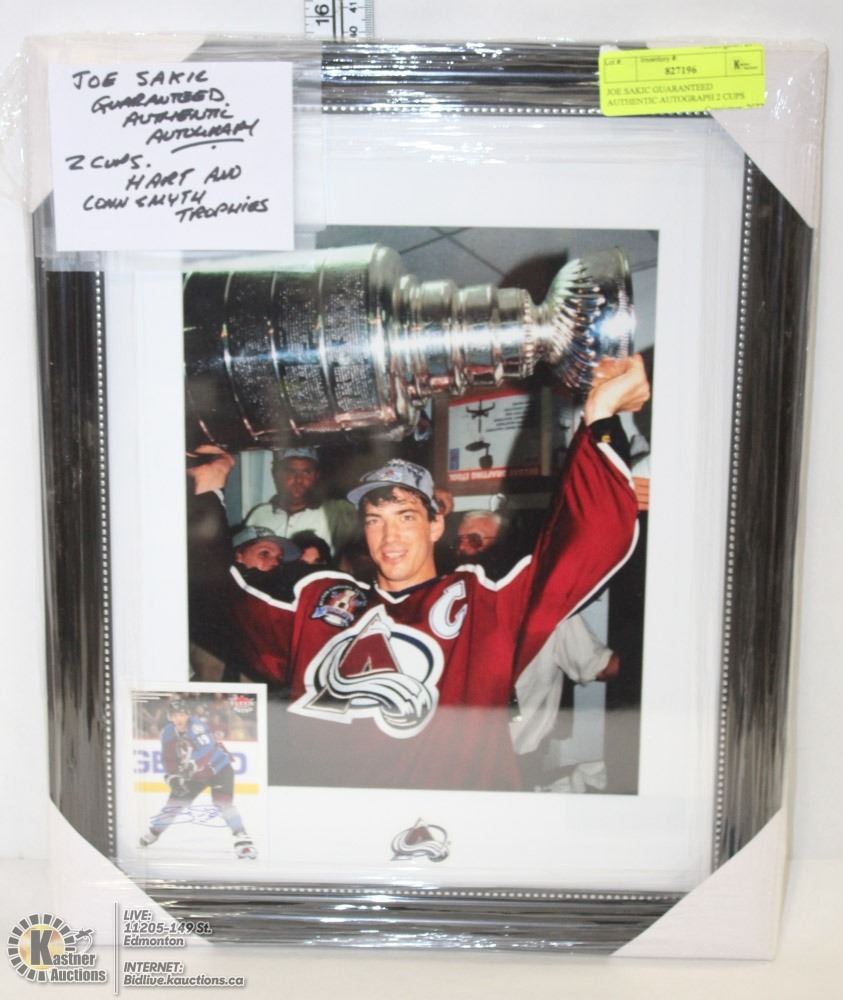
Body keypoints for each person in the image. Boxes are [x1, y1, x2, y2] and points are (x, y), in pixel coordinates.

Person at [228, 356, 649, 791]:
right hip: (340, 813)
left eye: (406, 517)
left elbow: (584, 543)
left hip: (451, 814)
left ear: (434, 525)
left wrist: (601, 416)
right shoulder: (323, 601)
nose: (389, 536)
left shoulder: (482, 600)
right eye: (374, 520)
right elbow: (227, 605)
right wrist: (203, 491)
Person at [138, 700, 257, 859]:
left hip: (219, 769)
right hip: (195, 775)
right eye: (174, 715)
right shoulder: (167, 732)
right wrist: (172, 775)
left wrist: (193, 764)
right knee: (174, 804)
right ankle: (154, 832)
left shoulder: (197, 726)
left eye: (182, 714)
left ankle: (241, 836)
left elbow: (207, 749)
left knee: (223, 804)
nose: (179, 718)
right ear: (169, 717)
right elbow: (168, 757)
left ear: (188, 715)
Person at [243, 447, 359, 557]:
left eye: (306, 472)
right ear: (277, 474)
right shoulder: (259, 514)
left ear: (316, 475)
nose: (298, 480)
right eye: (291, 471)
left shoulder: (337, 512)